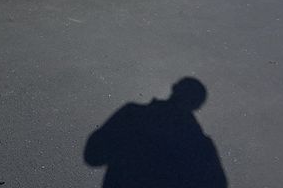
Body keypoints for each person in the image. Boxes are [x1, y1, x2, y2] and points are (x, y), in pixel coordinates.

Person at [84, 78, 227, 188]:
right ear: (197, 106)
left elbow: (93, 155)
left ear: (175, 88)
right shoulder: (199, 145)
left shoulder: (132, 115)